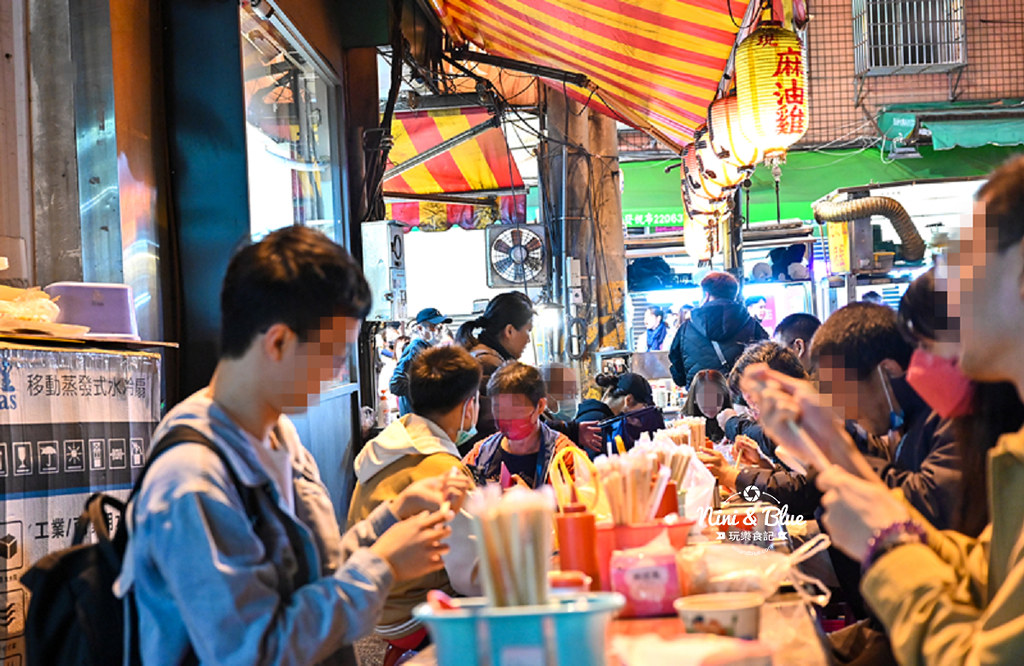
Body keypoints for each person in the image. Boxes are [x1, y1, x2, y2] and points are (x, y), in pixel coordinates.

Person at [116, 226, 461, 665]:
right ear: (278, 341)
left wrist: (393, 516)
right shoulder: (191, 480)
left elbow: (319, 577)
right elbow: (253, 652)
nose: (337, 373)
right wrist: (386, 566)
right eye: (334, 356)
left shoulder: (281, 436)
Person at [348, 345, 479, 651]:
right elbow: (470, 577)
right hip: (413, 614)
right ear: (468, 406)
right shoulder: (443, 469)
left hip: (375, 606)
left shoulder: (387, 447)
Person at [463, 361, 576, 488]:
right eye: (499, 409)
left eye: (515, 409)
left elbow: (589, 503)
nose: (506, 418)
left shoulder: (566, 457)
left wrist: (534, 504)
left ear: (540, 406)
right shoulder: (481, 454)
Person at [456, 291, 535, 451]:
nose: (528, 339)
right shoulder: (487, 363)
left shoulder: (485, 355)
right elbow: (499, 426)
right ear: (510, 331)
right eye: (528, 330)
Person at [669, 271, 769, 388]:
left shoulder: (686, 329)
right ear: (734, 296)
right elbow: (768, 366)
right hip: (741, 399)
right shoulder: (753, 326)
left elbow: (679, 376)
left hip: (701, 401)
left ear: (706, 295)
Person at [390, 307, 452, 416]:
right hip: (415, 420)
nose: (438, 330)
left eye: (441, 326)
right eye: (433, 327)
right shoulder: (415, 349)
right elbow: (396, 385)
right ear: (419, 328)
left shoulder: (428, 349)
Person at [680, 369, 732, 442]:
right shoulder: (685, 427)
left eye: (716, 397)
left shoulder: (733, 422)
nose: (711, 404)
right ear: (694, 398)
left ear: (725, 396)